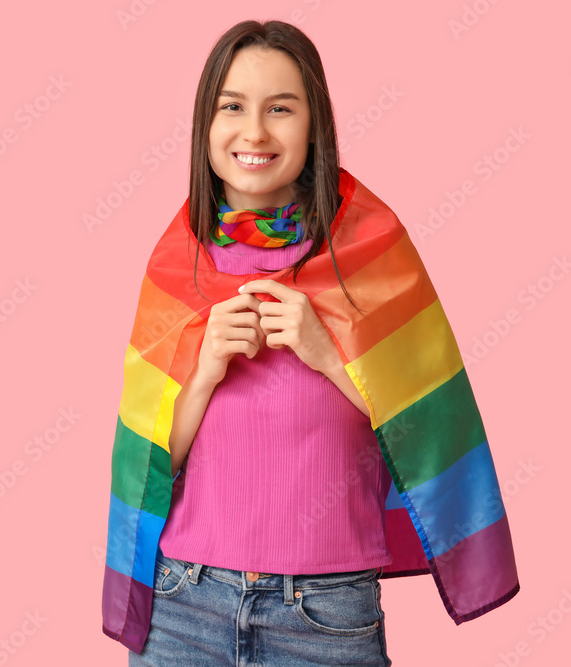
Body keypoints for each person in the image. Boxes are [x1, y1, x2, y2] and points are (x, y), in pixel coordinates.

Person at [100, 19, 519, 666]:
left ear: (314, 123)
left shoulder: (370, 251)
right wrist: (206, 365)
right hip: (184, 602)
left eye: (281, 109)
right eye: (232, 107)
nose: (255, 131)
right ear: (204, 128)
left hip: (325, 616)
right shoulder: (177, 264)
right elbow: (152, 454)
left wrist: (329, 352)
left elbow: (425, 422)